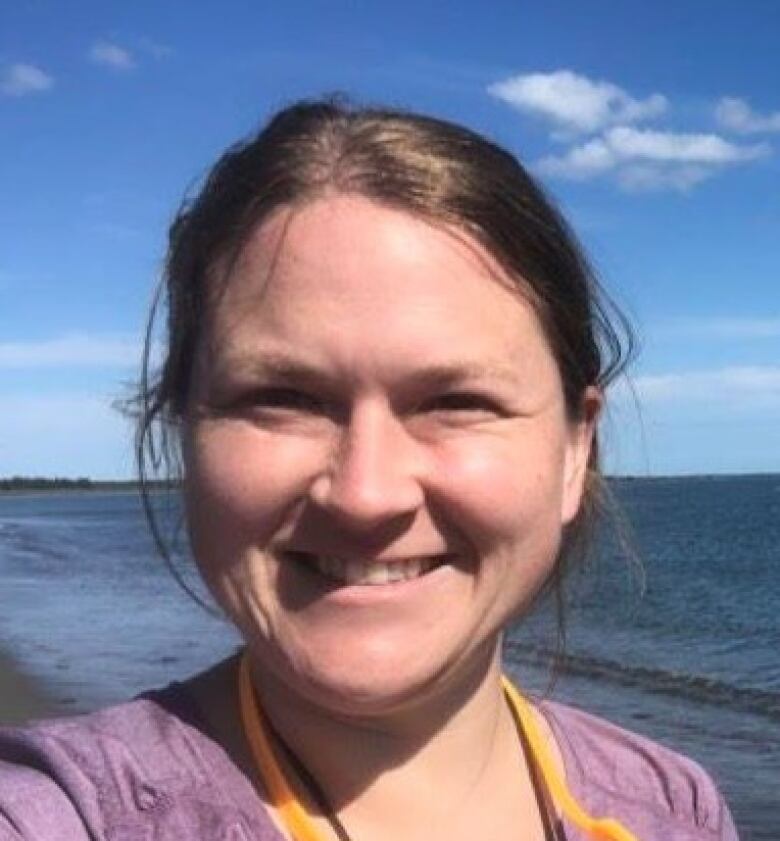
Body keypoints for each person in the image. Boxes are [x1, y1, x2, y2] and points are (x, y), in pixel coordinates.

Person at [0, 98, 738, 841]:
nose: (365, 492)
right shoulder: (65, 815)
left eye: (455, 399)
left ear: (576, 448)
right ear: (184, 432)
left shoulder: (676, 808)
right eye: (282, 398)